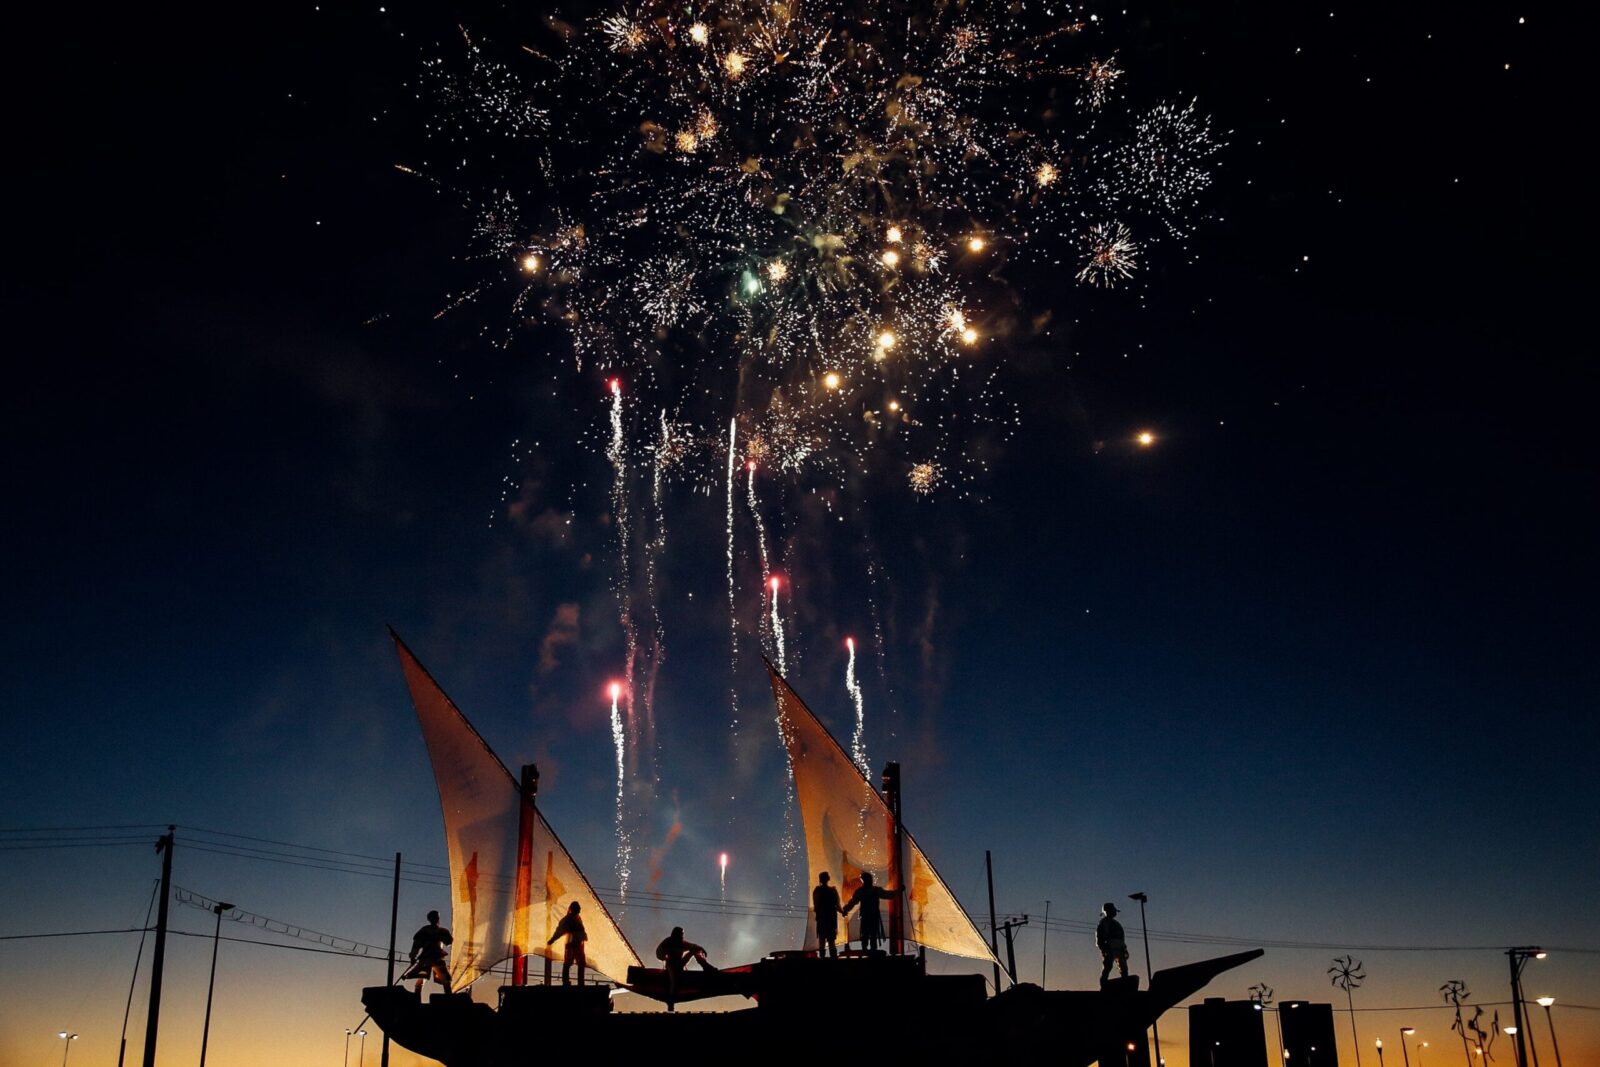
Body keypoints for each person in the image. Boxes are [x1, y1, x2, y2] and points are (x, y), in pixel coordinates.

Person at [655, 926, 716, 1010]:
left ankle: (706, 967)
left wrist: (701, 949)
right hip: (671, 965)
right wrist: (666, 957)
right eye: (680, 934)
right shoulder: (667, 942)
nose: (682, 936)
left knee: (694, 950)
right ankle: (671, 1002)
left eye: (682, 934)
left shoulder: (682, 943)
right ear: (675, 934)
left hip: (680, 964)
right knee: (674, 981)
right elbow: (658, 954)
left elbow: (693, 946)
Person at [842, 871, 898, 953]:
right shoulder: (875, 890)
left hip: (866, 915)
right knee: (872, 933)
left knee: (866, 933)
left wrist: (846, 909)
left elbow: (853, 902)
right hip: (873, 915)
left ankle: (866, 949)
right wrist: (898, 891)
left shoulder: (861, 891)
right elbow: (888, 895)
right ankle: (872, 949)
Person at [403, 910, 454, 994]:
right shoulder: (425, 931)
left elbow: (448, 941)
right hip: (427, 958)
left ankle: (449, 998)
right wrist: (413, 956)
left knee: (445, 979)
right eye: (434, 917)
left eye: (437, 917)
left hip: (437, 957)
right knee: (421, 977)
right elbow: (416, 944)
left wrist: (413, 956)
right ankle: (417, 999)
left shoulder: (441, 931)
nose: (436, 919)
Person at [547, 900, 587, 986]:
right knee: (568, 962)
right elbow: (560, 930)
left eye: (579, 908)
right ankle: (566, 982)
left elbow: (560, 930)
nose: (579, 910)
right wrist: (553, 939)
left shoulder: (577, 918)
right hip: (572, 943)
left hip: (578, 943)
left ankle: (580, 982)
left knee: (580, 963)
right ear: (573, 909)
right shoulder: (568, 919)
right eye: (578, 908)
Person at [1096, 902, 1129, 986]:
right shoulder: (1103, 923)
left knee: (1124, 968)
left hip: (1120, 948)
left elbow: (1121, 939)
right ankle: (1103, 984)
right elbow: (1099, 937)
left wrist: (1124, 949)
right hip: (1110, 947)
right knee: (1108, 966)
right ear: (1107, 911)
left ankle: (1125, 983)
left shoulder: (1116, 924)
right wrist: (1103, 948)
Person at [812, 872, 843, 958]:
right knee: (831, 940)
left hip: (823, 918)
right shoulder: (832, 891)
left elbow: (816, 906)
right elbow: (837, 905)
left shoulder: (818, 890)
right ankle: (832, 959)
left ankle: (823, 959)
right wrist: (843, 912)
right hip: (830, 919)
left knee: (823, 940)